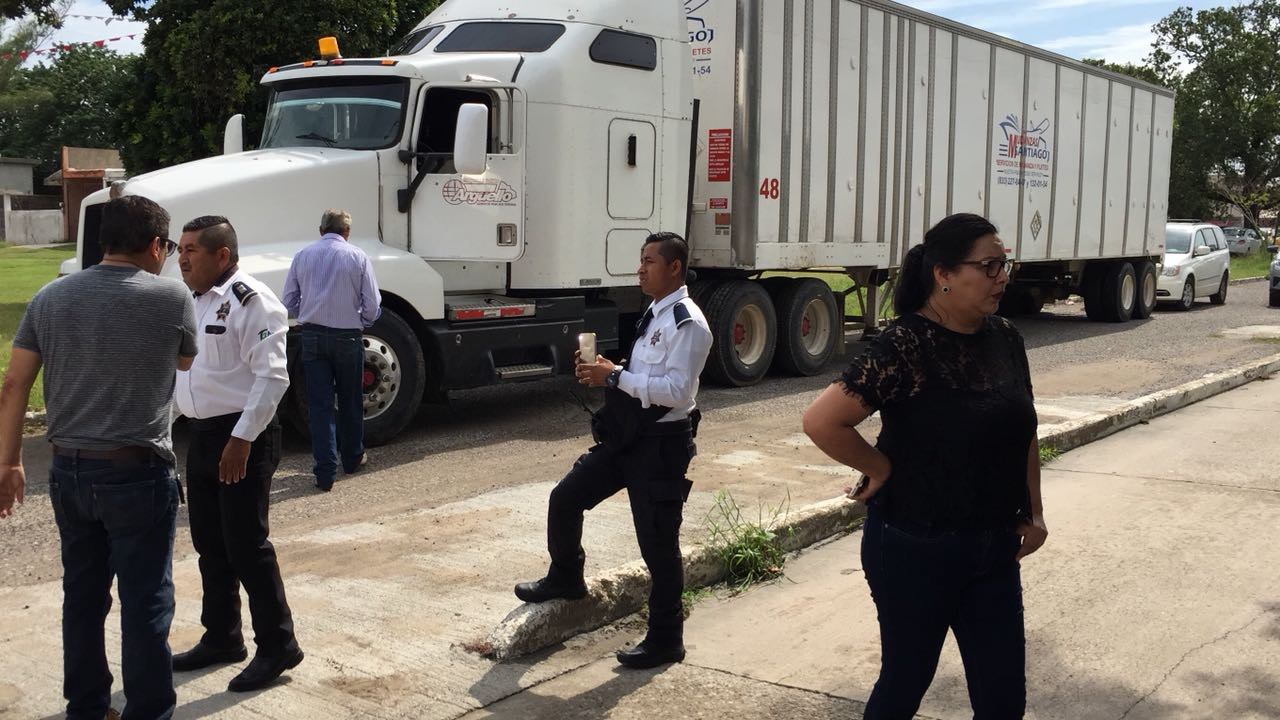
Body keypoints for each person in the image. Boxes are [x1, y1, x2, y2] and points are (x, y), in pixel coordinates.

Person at [803, 213, 1049, 719]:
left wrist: (1035, 510)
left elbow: (1022, 429)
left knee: (1004, 699)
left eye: (1005, 264)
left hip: (994, 545)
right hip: (915, 546)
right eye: (989, 266)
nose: (1002, 277)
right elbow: (823, 421)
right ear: (943, 274)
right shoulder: (905, 344)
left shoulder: (1006, 337)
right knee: (905, 683)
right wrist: (880, 468)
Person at [0, 195, 195, 720]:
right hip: (138, 471)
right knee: (146, 599)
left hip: (68, 469)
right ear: (155, 245)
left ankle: (86, 707)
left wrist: (9, 462)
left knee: (83, 597)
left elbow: (14, 384)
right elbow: (184, 360)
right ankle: (148, 710)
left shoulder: (50, 297)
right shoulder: (172, 296)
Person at [515, 232, 713, 669]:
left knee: (658, 545)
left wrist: (615, 377)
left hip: (662, 445)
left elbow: (677, 391)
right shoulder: (655, 313)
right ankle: (566, 578)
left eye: (649, 261)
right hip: (629, 436)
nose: (640, 269)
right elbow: (643, 377)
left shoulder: (689, 323)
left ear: (674, 268)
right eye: (641, 260)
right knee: (565, 498)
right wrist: (605, 372)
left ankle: (666, 639)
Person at [171, 216, 303, 692]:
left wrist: (242, 439)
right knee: (210, 545)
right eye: (179, 249)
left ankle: (278, 645)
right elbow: (188, 375)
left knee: (247, 546)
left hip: (243, 438)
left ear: (221, 255)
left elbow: (273, 376)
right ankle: (223, 637)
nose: (182, 259)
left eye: (191, 250)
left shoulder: (253, 301)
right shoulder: (192, 301)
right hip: (203, 437)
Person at [282, 209, 381, 491]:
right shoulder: (357, 256)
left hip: (312, 336)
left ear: (321, 230)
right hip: (348, 337)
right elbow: (372, 304)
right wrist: (362, 321)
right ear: (347, 232)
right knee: (350, 400)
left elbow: (288, 300)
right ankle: (352, 458)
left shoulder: (302, 256)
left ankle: (324, 472)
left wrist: (308, 313)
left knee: (320, 405)